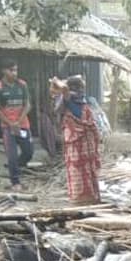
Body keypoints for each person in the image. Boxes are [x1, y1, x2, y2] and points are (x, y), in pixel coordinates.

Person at [52, 76, 101, 205]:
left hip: (76, 141)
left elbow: (59, 88)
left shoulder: (69, 99)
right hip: (85, 141)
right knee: (87, 168)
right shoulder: (75, 100)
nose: (82, 90)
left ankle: (80, 197)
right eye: (81, 87)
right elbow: (62, 88)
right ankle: (90, 196)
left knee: (77, 168)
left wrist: (58, 81)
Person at [0, 59, 33, 190]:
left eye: (16, 70)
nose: (15, 73)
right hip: (8, 127)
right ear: (4, 71)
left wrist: (18, 121)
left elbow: (27, 104)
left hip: (23, 125)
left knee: (28, 152)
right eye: (11, 70)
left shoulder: (22, 85)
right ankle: (15, 182)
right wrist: (10, 123)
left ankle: (14, 168)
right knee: (12, 155)